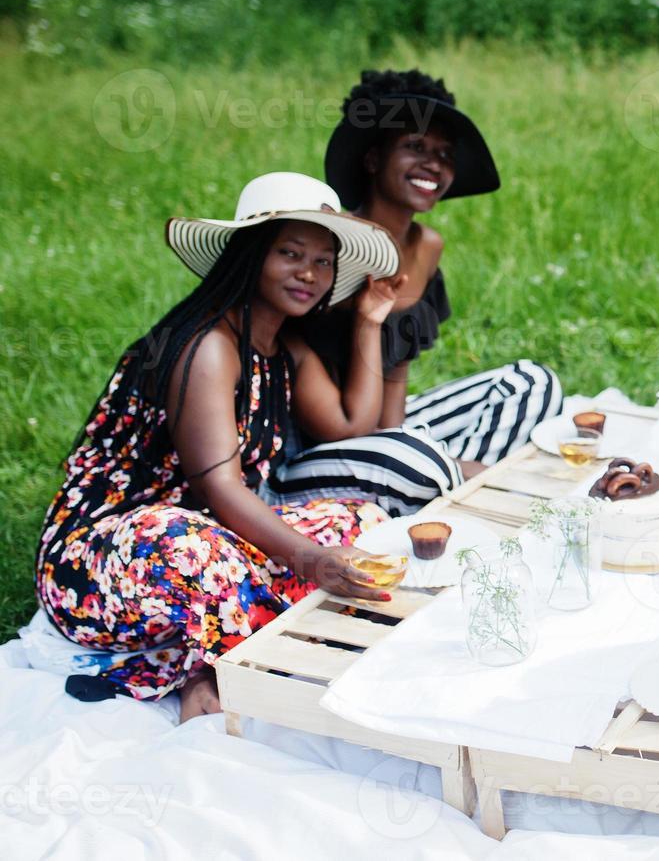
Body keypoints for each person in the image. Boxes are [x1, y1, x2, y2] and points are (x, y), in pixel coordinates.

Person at [35, 173, 405, 720]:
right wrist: (309, 560)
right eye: (290, 253)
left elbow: (352, 425)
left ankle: (220, 652)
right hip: (109, 556)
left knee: (363, 521)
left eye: (324, 261)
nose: (309, 273)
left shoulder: (284, 351)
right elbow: (220, 486)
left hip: (213, 538)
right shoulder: (209, 345)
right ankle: (225, 669)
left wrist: (371, 322)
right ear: (250, 255)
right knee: (198, 546)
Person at [268, 69, 561, 517]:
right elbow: (336, 425)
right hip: (312, 446)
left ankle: (445, 489)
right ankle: (460, 488)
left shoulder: (426, 247)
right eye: (415, 147)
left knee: (530, 383)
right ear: (372, 160)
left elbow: (396, 372)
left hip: (382, 428)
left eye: (445, 154)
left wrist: (399, 437)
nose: (435, 164)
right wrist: (410, 449)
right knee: (414, 461)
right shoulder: (329, 250)